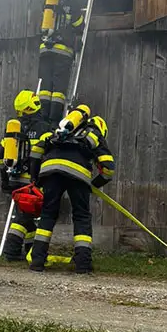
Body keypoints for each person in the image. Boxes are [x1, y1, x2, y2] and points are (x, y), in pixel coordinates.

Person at [28, 106, 116, 274]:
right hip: (78, 174)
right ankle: (83, 264)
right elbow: (108, 169)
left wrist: (35, 178)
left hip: (51, 171)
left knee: (47, 214)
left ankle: (37, 261)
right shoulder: (94, 135)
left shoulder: (60, 131)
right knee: (81, 216)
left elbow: (36, 151)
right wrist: (93, 185)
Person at [0, 90, 53, 261]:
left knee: (28, 215)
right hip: (32, 179)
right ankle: (11, 251)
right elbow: (46, 154)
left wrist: (4, 180)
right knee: (24, 215)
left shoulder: (13, 128)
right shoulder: (44, 128)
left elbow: (0, 156)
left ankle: (29, 248)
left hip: (14, 178)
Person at [38, 0, 85, 123]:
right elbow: (78, 24)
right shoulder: (73, 0)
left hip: (45, 48)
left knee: (45, 85)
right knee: (58, 88)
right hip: (63, 50)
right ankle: (54, 119)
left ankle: (42, 117)